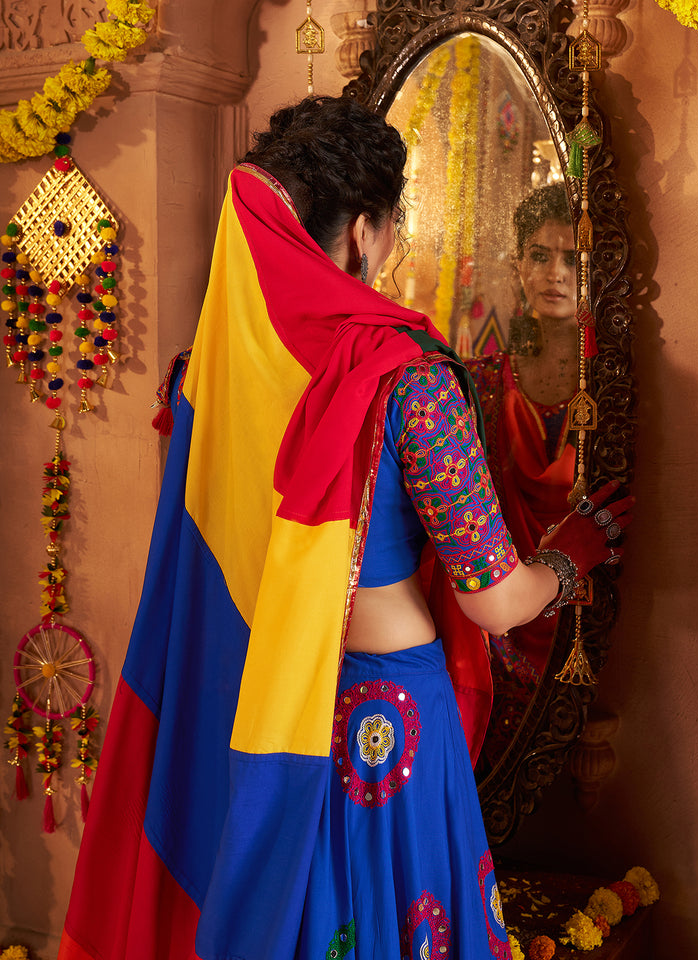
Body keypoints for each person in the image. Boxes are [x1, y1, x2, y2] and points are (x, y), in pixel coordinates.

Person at [58, 97, 630, 960]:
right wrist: (572, 554)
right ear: (364, 231)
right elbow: (496, 602)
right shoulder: (411, 381)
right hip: (383, 722)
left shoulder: (203, 376)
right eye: (393, 226)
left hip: (254, 714)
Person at [467, 185, 579, 694]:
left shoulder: (615, 391)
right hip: (492, 623)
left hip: (589, 620)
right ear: (518, 267)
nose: (556, 273)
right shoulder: (478, 383)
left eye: (572, 259)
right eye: (540, 256)